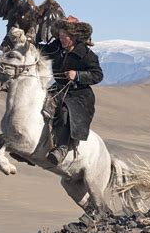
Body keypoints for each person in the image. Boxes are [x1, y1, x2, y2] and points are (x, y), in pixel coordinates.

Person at [40, 16, 104, 165]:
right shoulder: (57, 48)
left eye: (65, 36)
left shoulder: (87, 55)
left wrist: (78, 75)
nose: (61, 39)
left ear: (73, 37)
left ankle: (62, 148)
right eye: (60, 35)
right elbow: (40, 49)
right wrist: (25, 41)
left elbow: (98, 75)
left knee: (64, 112)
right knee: (39, 103)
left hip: (79, 95)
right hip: (59, 89)